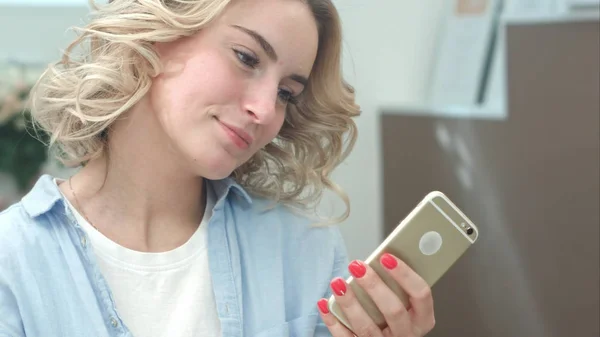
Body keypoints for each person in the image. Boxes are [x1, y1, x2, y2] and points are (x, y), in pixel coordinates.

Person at [0, 0, 437, 336]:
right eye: (247, 58)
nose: (265, 110)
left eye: (287, 92)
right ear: (157, 32)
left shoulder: (305, 249)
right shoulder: (13, 263)